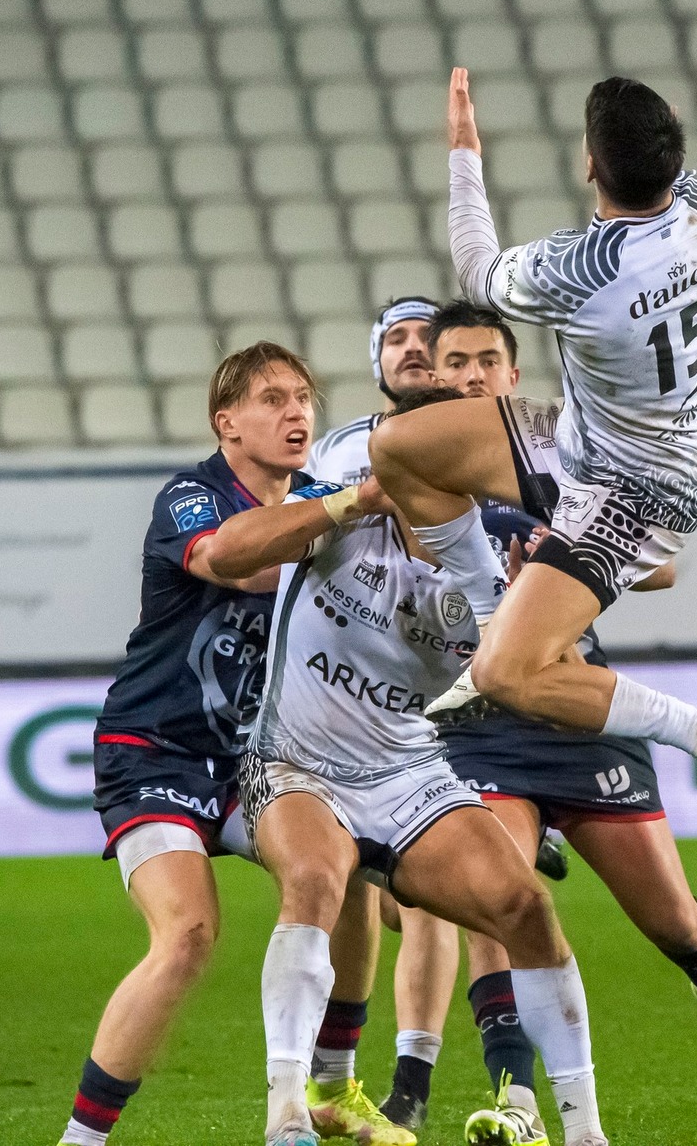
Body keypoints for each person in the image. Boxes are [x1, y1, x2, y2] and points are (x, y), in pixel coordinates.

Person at [366, 70, 697, 844]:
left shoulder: (580, 269)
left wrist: (463, 154)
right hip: (579, 438)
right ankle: (497, 613)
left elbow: (475, 270)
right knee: (398, 447)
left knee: (508, 676)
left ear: (590, 163)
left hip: (635, 491)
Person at [421, 301, 697, 1146]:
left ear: (513, 377)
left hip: (576, 708)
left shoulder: (559, 458)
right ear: (434, 375)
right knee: (495, 900)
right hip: (476, 726)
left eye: (489, 359)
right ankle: (517, 1101)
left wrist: (564, 550)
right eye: (458, 362)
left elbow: (661, 564)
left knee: (671, 921)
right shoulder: (413, 466)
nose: (474, 373)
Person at [205, 387, 614, 1146]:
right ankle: (287, 1114)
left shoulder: (490, 575)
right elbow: (225, 556)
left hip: (407, 770)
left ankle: (586, 1132)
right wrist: (344, 503)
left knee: (523, 906)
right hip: (294, 761)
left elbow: (542, 683)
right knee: (317, 878)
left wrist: (545, 614)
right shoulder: (337, 517)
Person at [58, 342, 368, 1146]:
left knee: (341, 866)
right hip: (152, 749)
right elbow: (238, 565)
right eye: (273, 398)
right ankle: (81, 1141)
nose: (297, 411)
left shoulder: (324, 496)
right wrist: (348, 519)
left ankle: (327, 1090)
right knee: (189, 933)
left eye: (304, 396)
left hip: (255, 760)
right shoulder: (192, 496)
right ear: (226, 422)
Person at [302, 296, 457, 1142]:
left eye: (425, 338)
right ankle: (332, 1081)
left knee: (431, 896)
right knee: (377, 890)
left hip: (449, 698)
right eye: (394, 338)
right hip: (357, 694)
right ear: (379, 362)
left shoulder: (489, 442)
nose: (410, 349)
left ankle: (410, 1086)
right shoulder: (337, 449)